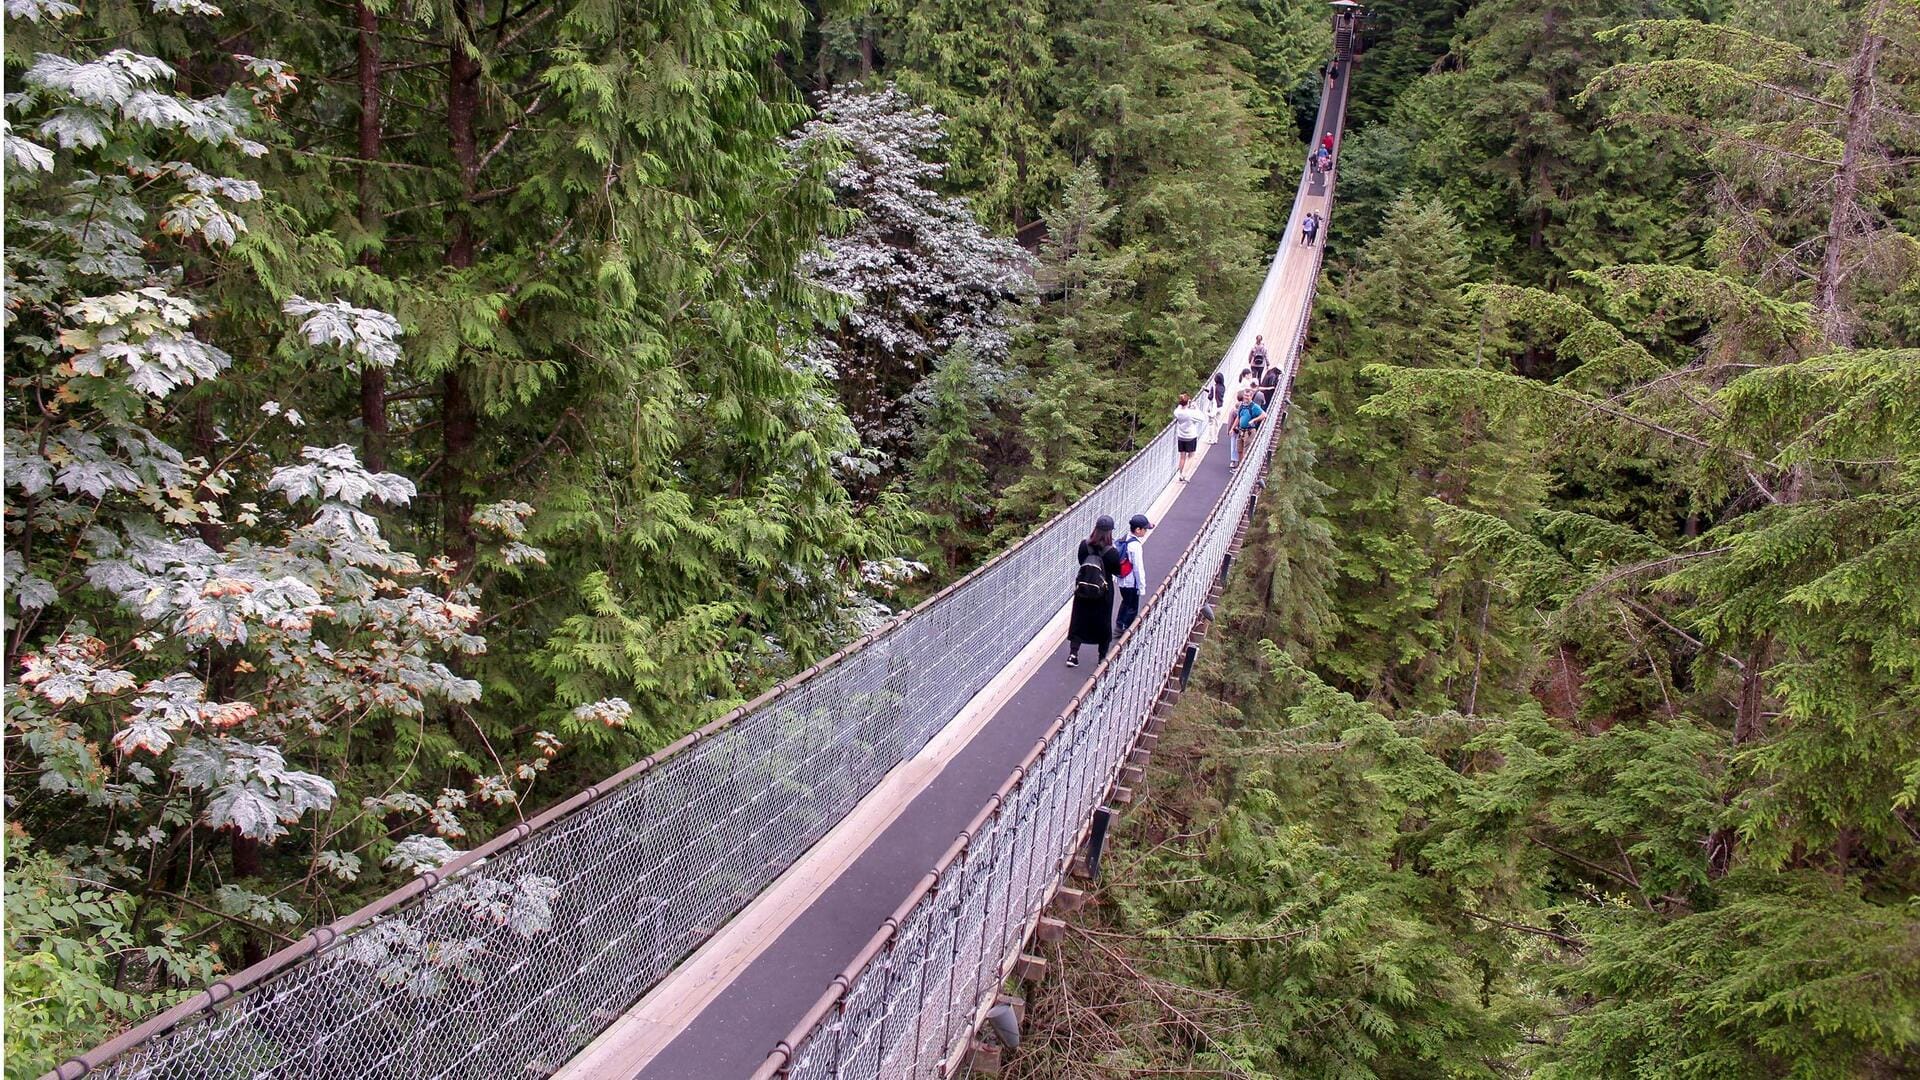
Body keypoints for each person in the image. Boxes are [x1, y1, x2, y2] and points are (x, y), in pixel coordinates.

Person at [1067, 516, 1122, 667]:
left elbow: (1081, 561)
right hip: (1103, 591)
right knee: (1103, 622)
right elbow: (1117, 571)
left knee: (1079, 618)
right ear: (1110, 532)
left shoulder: (1084, 545)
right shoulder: (1112, 552)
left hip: (1083, 587)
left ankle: (1073, 654)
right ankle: (1102, 657)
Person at [1112, 514, 1153, 636]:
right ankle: (1125, 630)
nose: (1146, 531)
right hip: (1131, 582)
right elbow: (1138, 568)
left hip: (1122, 580)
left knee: (1126, 602)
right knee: (1132, 607)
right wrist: (1142, 586)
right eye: (1144, 529)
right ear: (1138, 530)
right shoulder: (1135, 546)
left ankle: (1120, 625)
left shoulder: (1124, 538)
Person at [1228, 388, 1266, 470]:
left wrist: (1254, 420)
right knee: (1239, 450)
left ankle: (1244, 469)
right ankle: (1240, 468)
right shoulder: (1242, 405)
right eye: (1245, 395)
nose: (1246, 397)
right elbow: (1238, 417)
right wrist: (1232, 428)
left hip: (1249, 432)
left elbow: (1264, 415)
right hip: (1241, 431)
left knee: (1246, 451)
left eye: (1248, 396)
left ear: (1251, 396)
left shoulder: (1254, 406)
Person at [1173, 393, 1208, 480]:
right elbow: (1202, 418)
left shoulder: (1177, 412)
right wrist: (1196, 408)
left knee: (1182, 456)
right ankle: (1184, 474)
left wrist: (1184, 404)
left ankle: (1180, 474)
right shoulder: (1191, 413)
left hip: (1181, 436)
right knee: (1191, 456)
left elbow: (1179, 407)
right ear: (1187, 403)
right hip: (1190, 436)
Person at [1206, 371, 1227, 443]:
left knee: (1211, 423)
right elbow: (1217, 394)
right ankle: (1215, 438)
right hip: (1220, 407)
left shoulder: (1213, 387)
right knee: (1217, 423)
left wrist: (1208, 392)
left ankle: (1211, 439)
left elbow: (1210, 397)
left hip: (1213, 408)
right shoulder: (1223, 387)